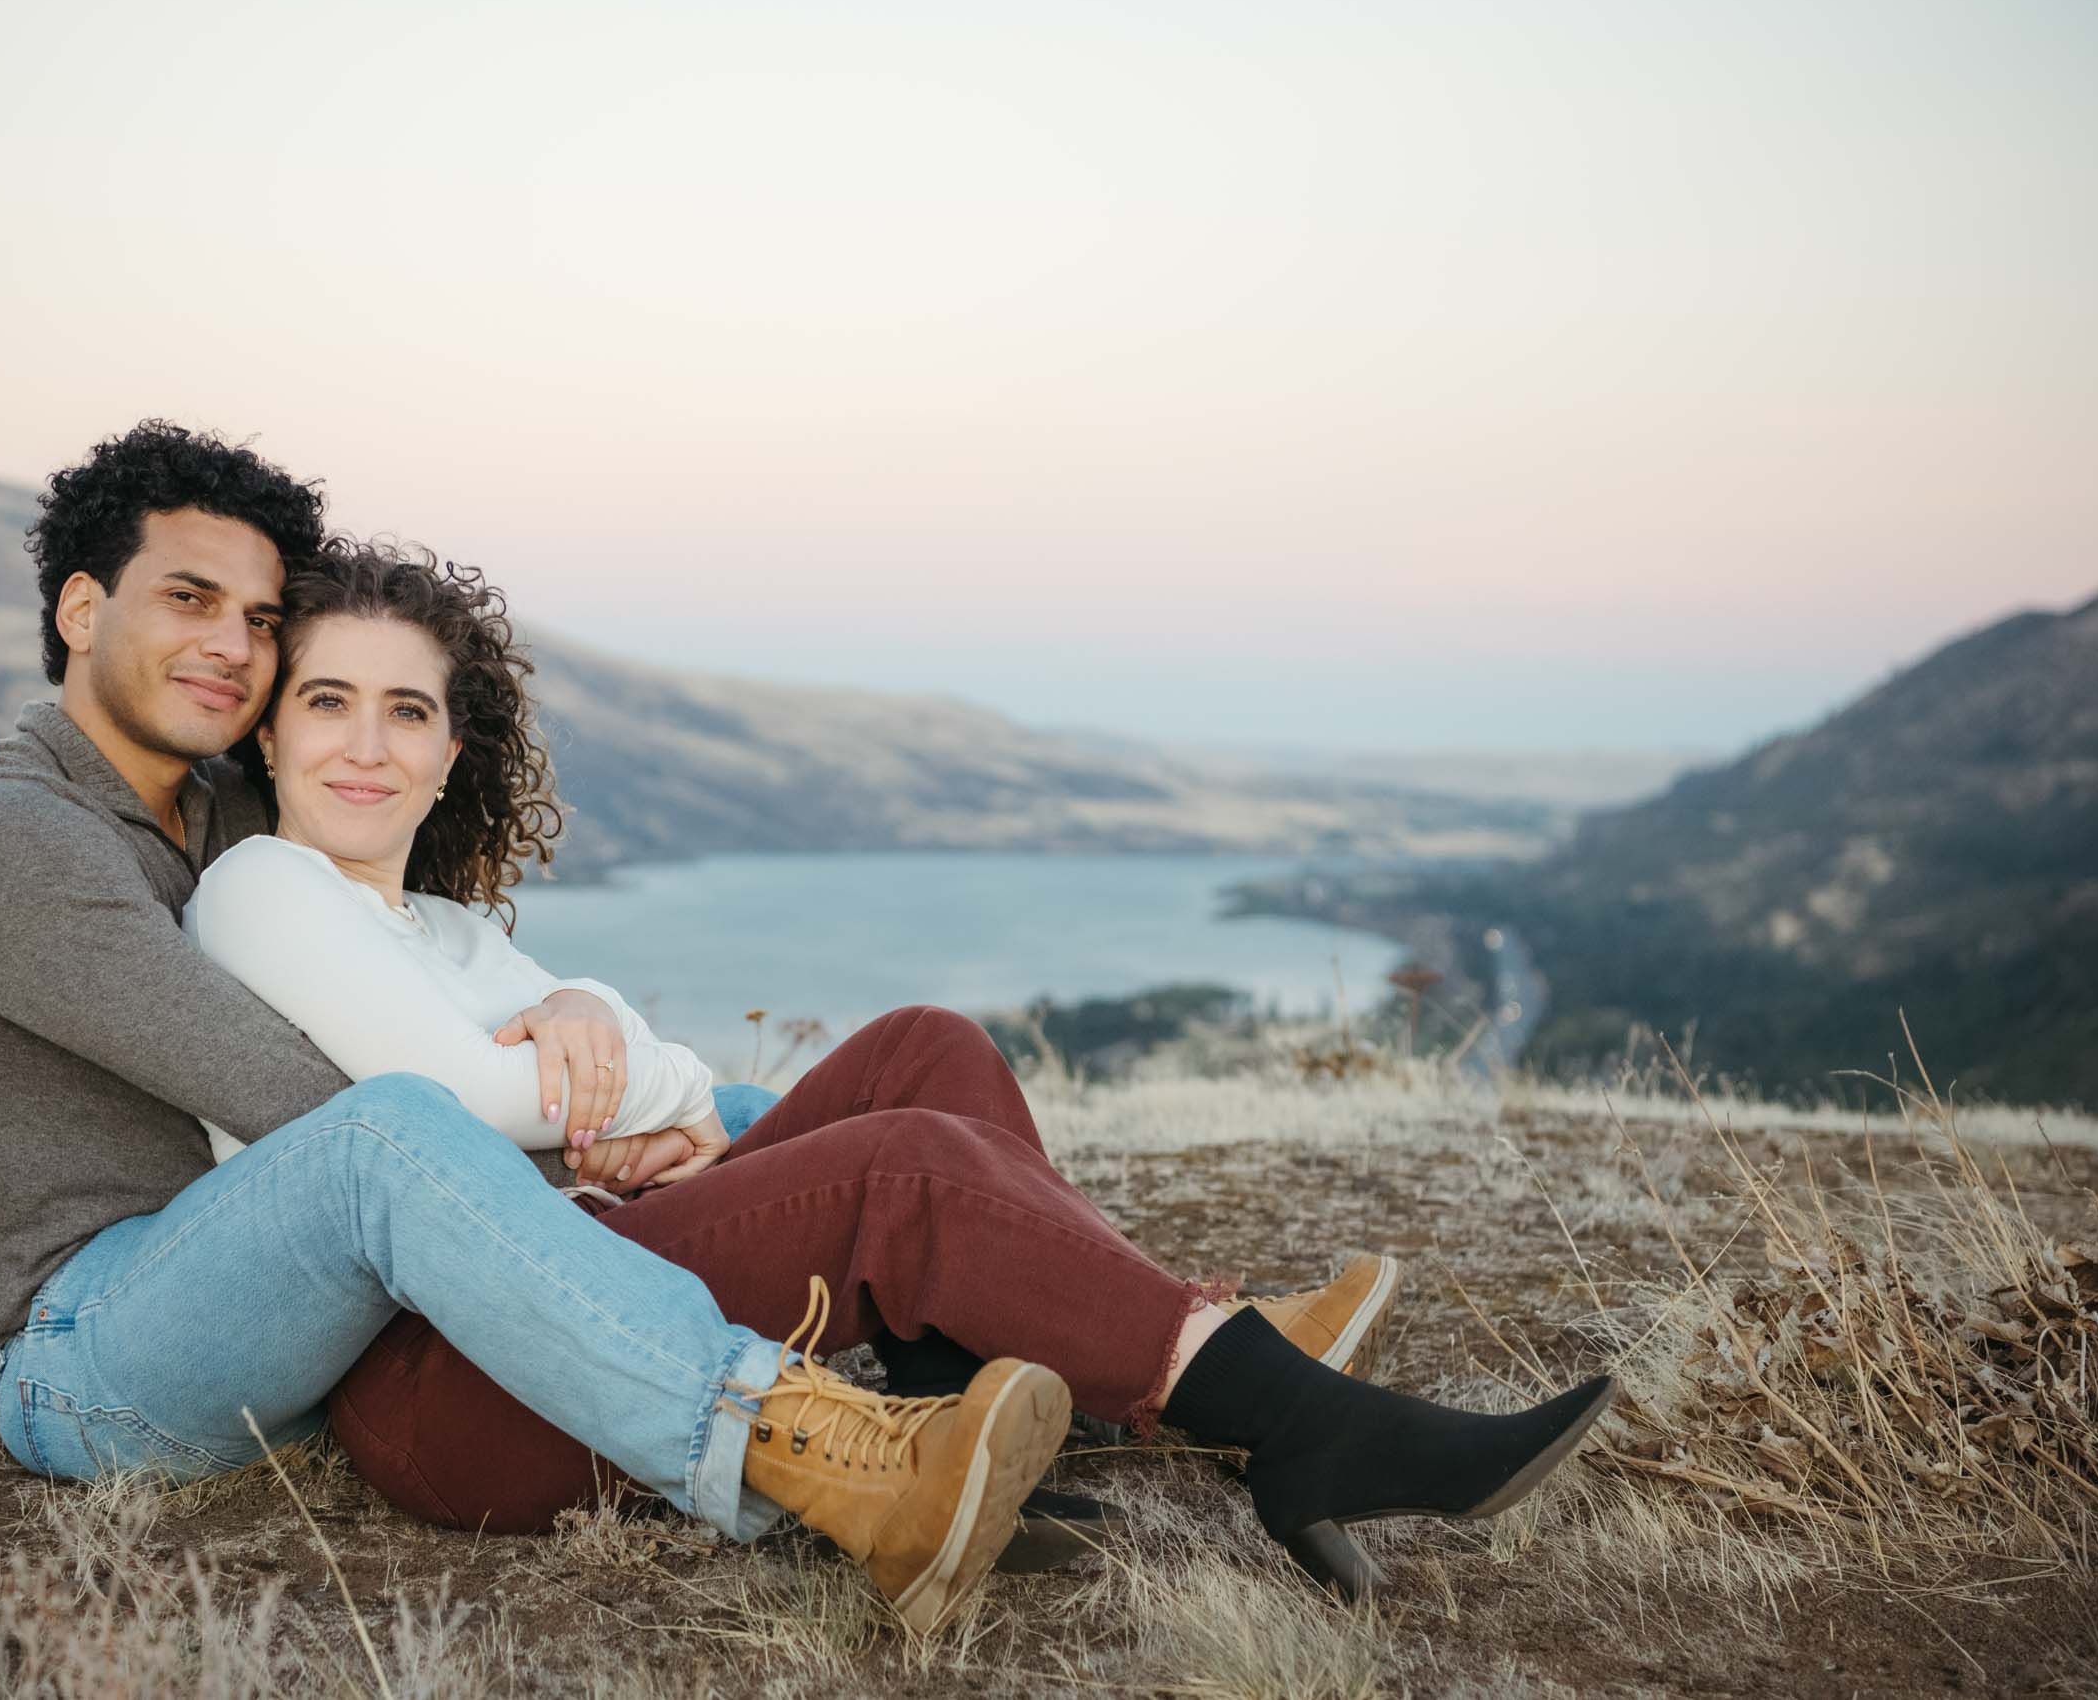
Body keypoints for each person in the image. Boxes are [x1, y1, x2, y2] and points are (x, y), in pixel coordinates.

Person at [178, 537, 1619, 1601]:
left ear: (451, 752)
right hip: (460, 1384)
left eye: (408, 711)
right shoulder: (259, 885)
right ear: (271, 725)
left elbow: (588, 1055)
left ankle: (978, 1399)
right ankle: (1301, 1426)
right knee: (904, 1170)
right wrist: (638, 1091)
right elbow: (468, 1102)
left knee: (928, 1046)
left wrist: (590, 1024)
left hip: (586, 1280)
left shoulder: (436, 924)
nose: (367, 745)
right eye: (328, 702)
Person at [0, 421, 1074, 1636]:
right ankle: (815, 1456)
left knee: (759, 1118)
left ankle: (1088, 1350)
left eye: (259, 619)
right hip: (86, 1351)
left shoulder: (214, 804)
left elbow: (418, 957)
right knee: (384, 1131)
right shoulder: (11, 836)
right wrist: (585, 1145)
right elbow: (311, 1106)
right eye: (189, 600)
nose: (231, 648)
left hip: (276, 1292)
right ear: (82, 611)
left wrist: (577, 1013)